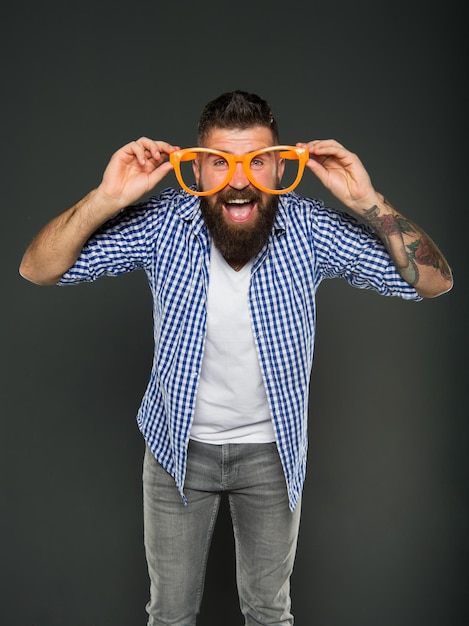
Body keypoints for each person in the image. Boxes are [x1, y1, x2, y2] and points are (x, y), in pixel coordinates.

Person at [19, 90, 453, 626]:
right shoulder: (162, 226)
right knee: (170, 614)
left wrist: (369, 201)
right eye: (220, 163)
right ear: (196, 170)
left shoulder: (309, 228)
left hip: (273, 454)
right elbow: (38, 269)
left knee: (270, 613)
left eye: (258, 162)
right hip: (177, 451)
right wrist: (106, 198)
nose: (240, 180)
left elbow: (434, 282)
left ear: (280, 166)